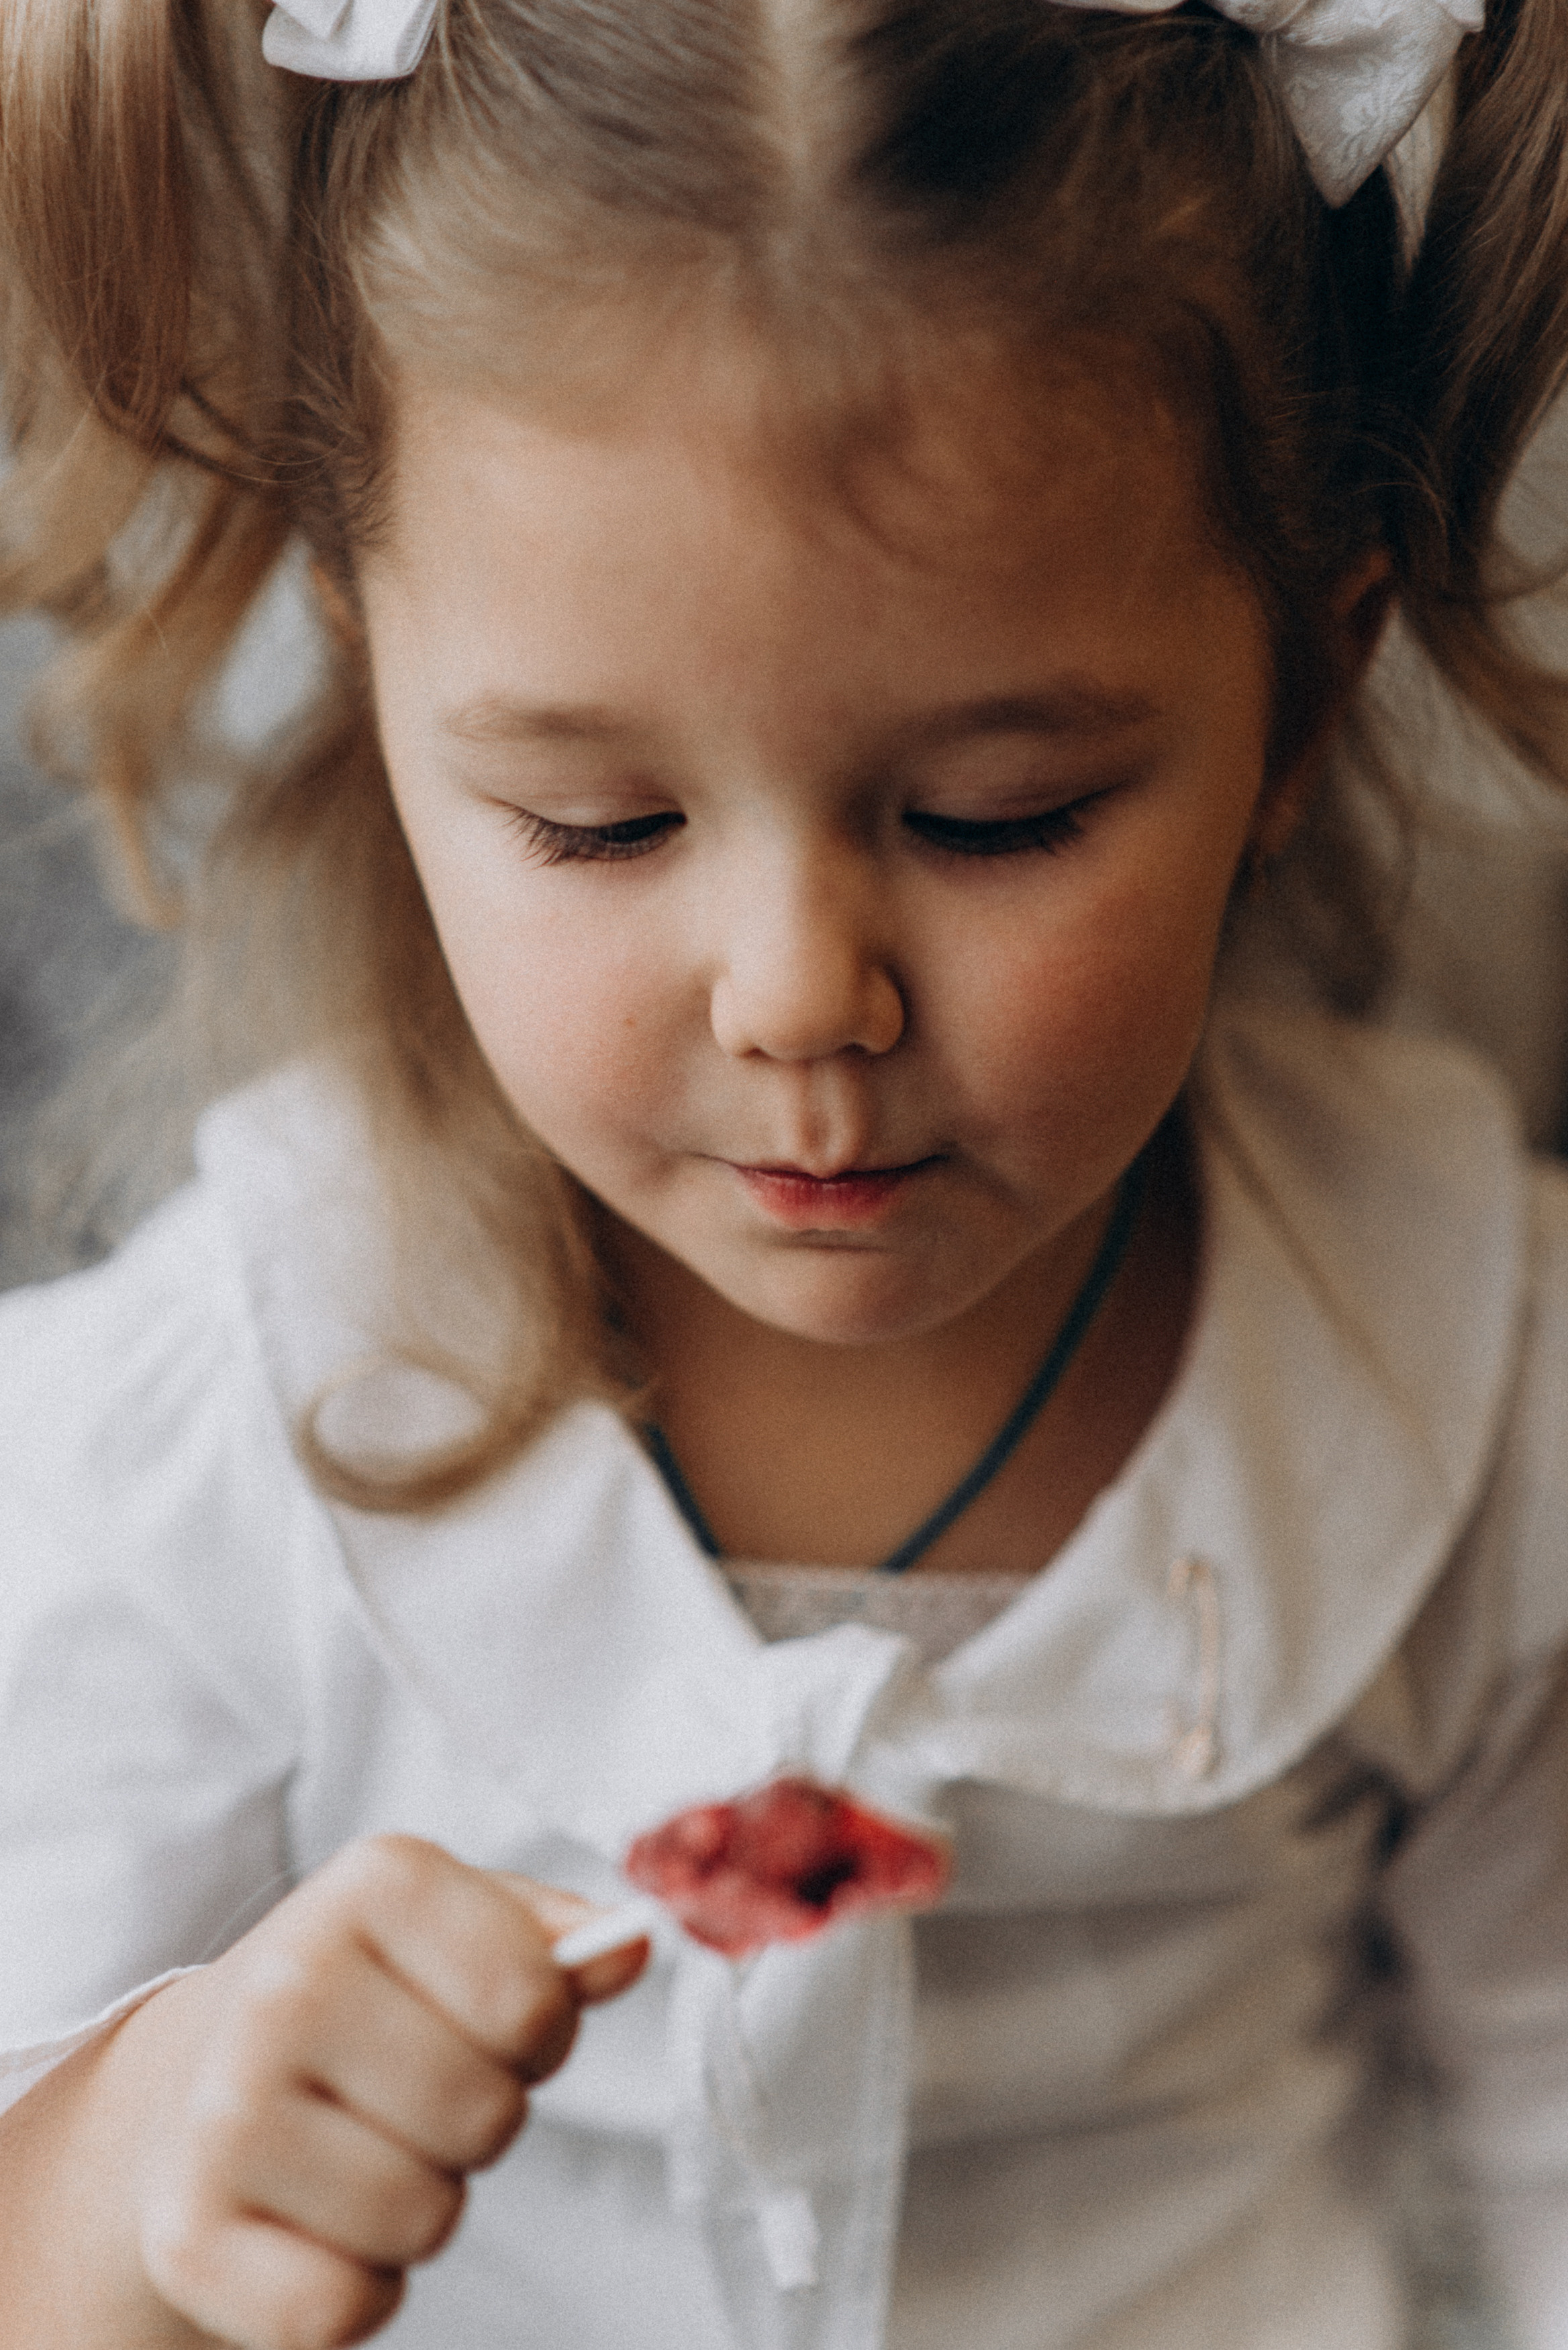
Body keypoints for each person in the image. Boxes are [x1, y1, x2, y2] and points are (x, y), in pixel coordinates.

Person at [2, 0, 1568, 2343]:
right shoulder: (221, 1437)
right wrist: (142, 2159)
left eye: (996, 816)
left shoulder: (1458, 1375)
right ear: (373, 678)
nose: (799, 996)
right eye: (600, 822)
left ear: (1304, 699)